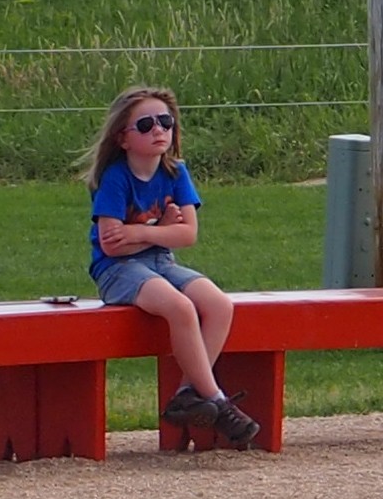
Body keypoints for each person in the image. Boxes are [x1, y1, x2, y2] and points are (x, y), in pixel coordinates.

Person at [79, 85, 260, 448]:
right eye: (145, 125)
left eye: (166, 122)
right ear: (123, 138)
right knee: (180, 307)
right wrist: (160, 229)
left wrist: (142, 233)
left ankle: (187, 396)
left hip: (161, 263)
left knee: (219, 305)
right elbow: (112, 244)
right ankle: (218, 402)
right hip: (118, 271)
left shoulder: (176, 172)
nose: (159, 130)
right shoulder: (115, 177)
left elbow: (188, 234)